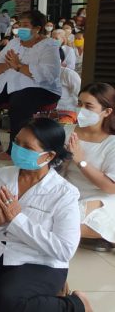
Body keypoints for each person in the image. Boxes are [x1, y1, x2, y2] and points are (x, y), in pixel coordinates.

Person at [0, 118, 92, 312]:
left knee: (9, 298)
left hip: (40, 264)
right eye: (17, 142)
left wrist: (17, 220)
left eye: (27, 146)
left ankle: (76, 305)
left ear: (49, 155)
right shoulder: (0, 176)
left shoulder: (65, 193)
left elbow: (64, 250)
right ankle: (24, 299)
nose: (18, 148)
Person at [0, 10, 62, 159]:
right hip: (11, 85)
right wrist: (9, 66)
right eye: (19, 24)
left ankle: (15, 151)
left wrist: (18, 65)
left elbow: (49, 75)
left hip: (42, 89)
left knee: (19, 103)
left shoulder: (49, 45)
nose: (21, 28)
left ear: (37, 28)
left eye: (25, 25)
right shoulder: (14, 43)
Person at [65, 83, 115, 248]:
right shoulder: (67, 132)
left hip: (100, 196)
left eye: (88, 106)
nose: (81, 109)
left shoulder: (112, 143)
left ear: (106, 112)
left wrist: (80, 161)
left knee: (68, 224)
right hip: (67, 191)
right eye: (79, 104)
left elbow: (110, 187)